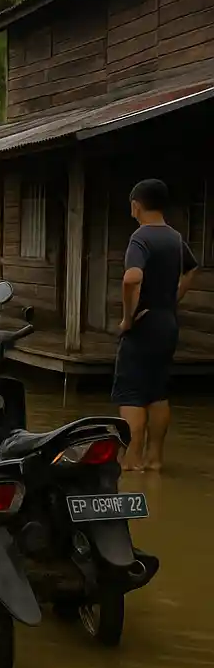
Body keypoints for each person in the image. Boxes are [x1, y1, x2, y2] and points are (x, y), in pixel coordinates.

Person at [112, 178, 200, 471]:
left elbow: (131, 278)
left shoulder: (141, 238)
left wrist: (127, 317)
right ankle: (154, 459)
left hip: (144, 322)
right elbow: (192, 268)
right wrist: (173, 298)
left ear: (137, 205)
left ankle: (132, 461)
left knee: (132, 392)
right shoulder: (174, 238)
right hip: (166, 322)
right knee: (158, 391)